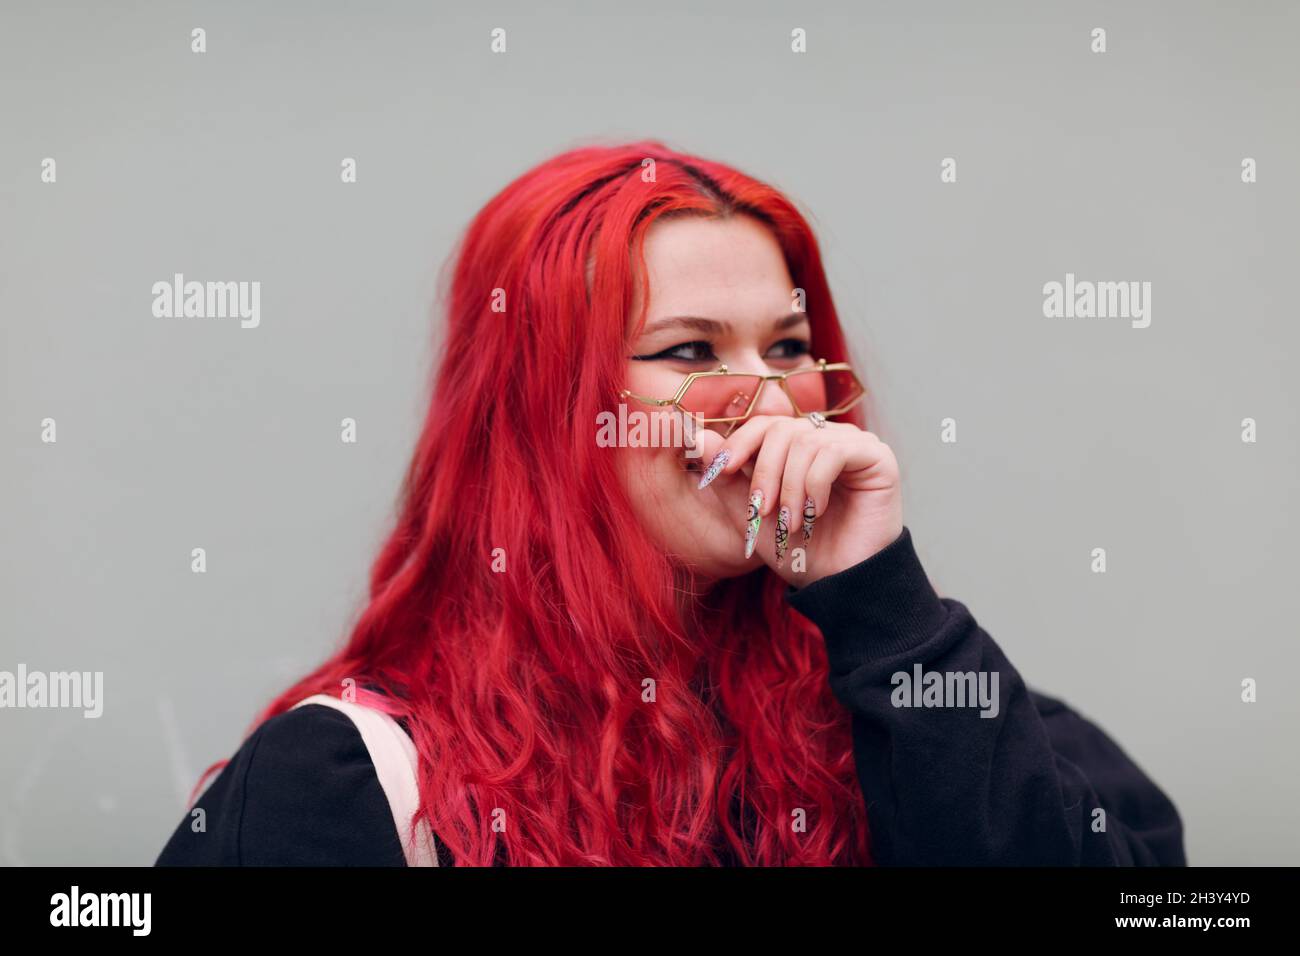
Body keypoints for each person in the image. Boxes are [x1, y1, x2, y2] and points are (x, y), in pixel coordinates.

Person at [156, 141, 1185, 866]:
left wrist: (885, 605)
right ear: (547, 415)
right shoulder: (345, 782)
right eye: (689, 350)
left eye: (788, 347)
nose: (772, 395)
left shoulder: (928, 713)